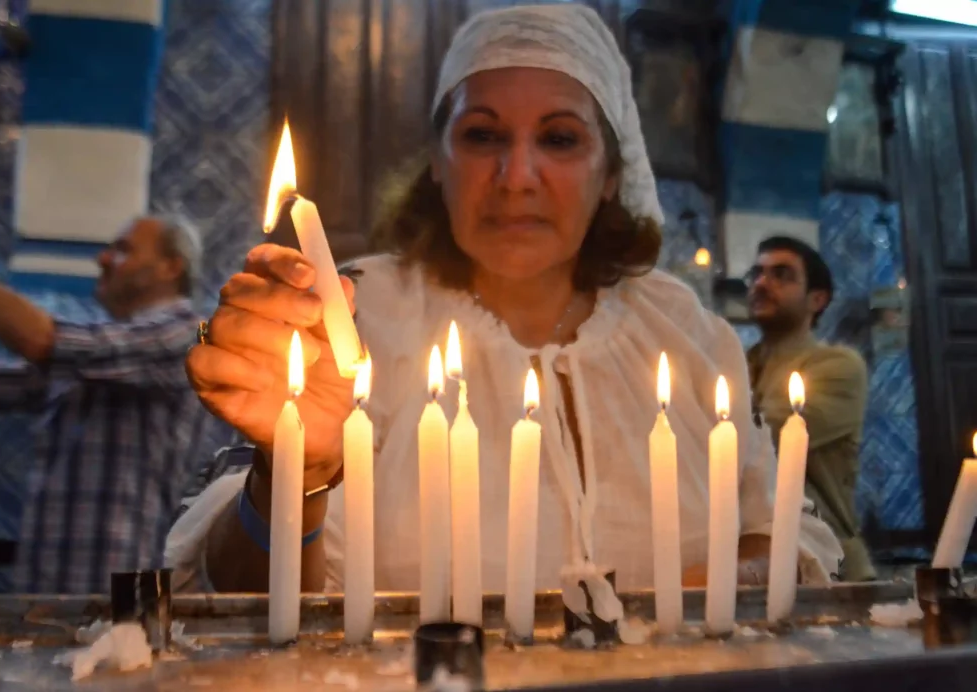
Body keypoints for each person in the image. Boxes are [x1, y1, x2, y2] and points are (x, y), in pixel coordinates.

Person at [169, 4, 841, 594]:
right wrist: (298, 473)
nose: (516, 177)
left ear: (610, 173)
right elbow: (239, 599)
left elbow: (777, 532)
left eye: (558, 139)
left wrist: (707, 591)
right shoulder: (351, 319)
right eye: (483, 135)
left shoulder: (684, 332)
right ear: (439, 161)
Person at [0, 214, 209, 593]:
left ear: (172, 266)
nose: (103, 259)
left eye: (123, 250)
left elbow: (41, 341)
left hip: (112, 595)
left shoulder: (185, 332)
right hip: (47, 586)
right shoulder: (107, 345)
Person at [746, 236, 876, 582]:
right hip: (751, 557)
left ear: (817, 299)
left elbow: (763, 435)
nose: (761, 282)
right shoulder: (736, 363)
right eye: (757, 273)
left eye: (781, 274)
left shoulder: (838, 366)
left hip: (829, 562)